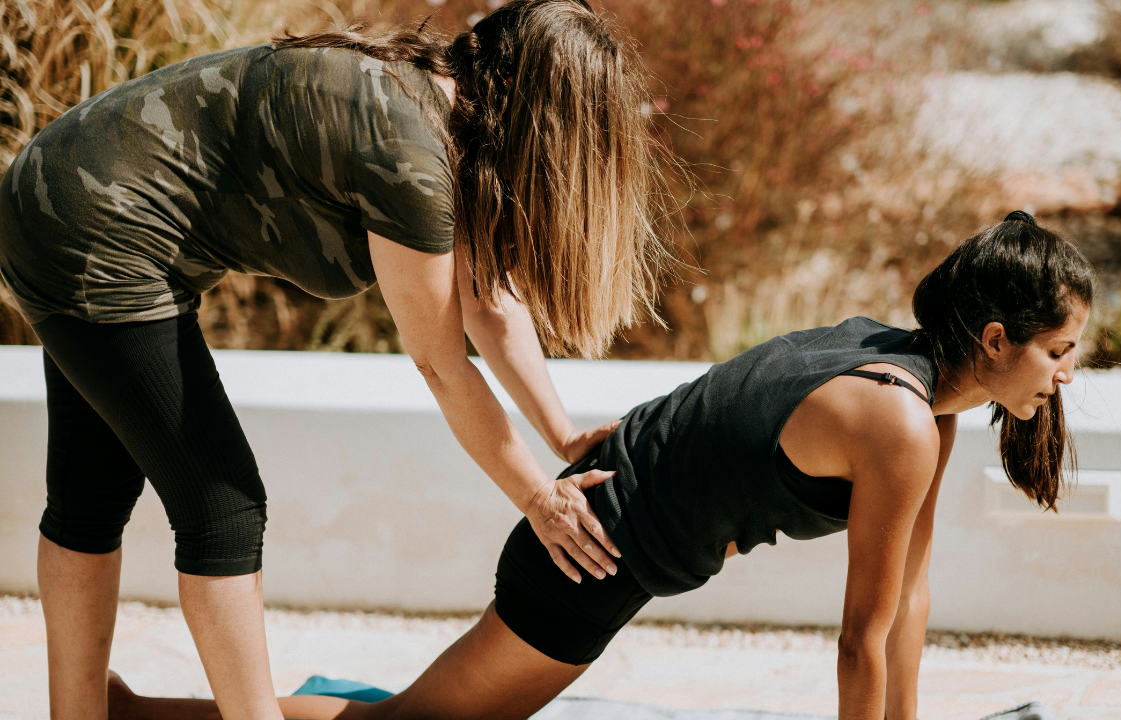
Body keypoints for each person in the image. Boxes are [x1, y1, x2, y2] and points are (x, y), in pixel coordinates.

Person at [106, 212, 1096, 720]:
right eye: (1055, 352)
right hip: (587, 553)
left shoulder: (918, 394)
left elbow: (906, 605)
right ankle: (132, 715)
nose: (1061, 376)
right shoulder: (899, 421)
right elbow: (859, 642)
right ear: (998, 336)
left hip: (607, 532)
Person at [0, 1, 672, 719]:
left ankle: (79, 714)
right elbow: (443, 365)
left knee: (91, 498)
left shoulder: (442, 115)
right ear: (545, 119)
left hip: (59, 196)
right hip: (95, 226)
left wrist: (563, 437)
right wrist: (539, 499)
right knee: (222, 508)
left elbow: (488, 305)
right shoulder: (412, 156)